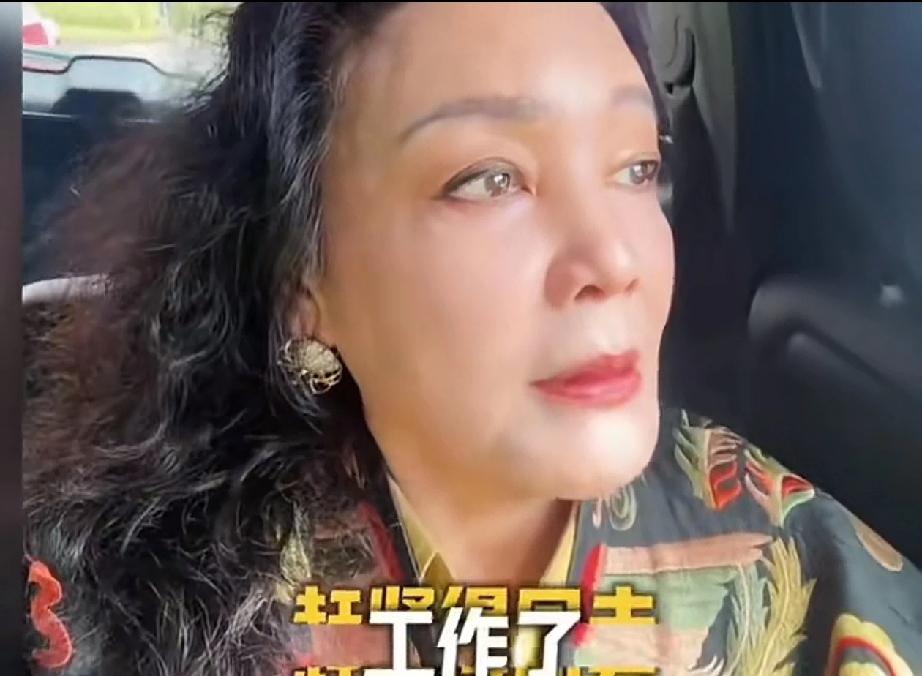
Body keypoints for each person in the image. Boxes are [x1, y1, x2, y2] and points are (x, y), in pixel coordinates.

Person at [22, 3, 922, 675]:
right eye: (490, 179)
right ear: (303, 281)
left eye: (636, 167)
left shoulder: (807, 567)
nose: (613, 260)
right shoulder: (115, 592)